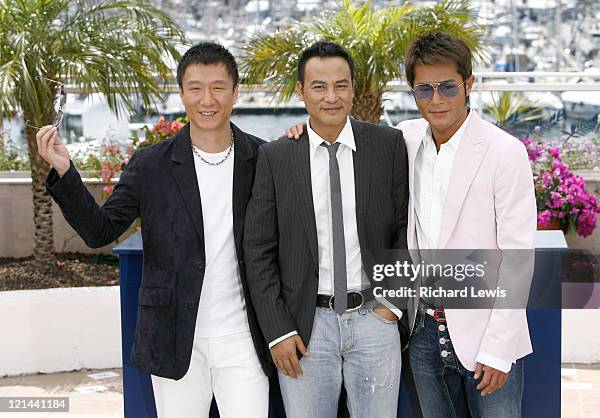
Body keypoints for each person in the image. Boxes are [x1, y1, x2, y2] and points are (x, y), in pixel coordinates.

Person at [36, 42, 271, 418]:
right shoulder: (151, 164)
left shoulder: (264, 158)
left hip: (246, 337)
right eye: (195, 88)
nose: (206, 99)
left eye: (217, 87)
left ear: (235, 91)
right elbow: (101, 230)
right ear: (181, 93)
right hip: (173, 334)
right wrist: (65, 172)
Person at [243, 41, 409, 418]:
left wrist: (392, 305)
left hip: (374, 319)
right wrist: (279, 331)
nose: (331, 97)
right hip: (305, 329)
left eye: (341, 85)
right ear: (301, 91)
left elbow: (403, 229)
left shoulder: (388, 144)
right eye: (318, 86)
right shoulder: (277, 156)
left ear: (353, 88)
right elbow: (258, 249)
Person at [396, 32, 536, 417]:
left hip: (488, 335)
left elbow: (517, 257)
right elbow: (348, 137)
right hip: (423, 331)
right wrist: (296, 134)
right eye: (424, 89)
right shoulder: (405, 140)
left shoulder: (505, 152)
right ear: (412, 91)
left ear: (468, 84)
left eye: (447, 87)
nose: (436, 100)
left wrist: (497, 347)